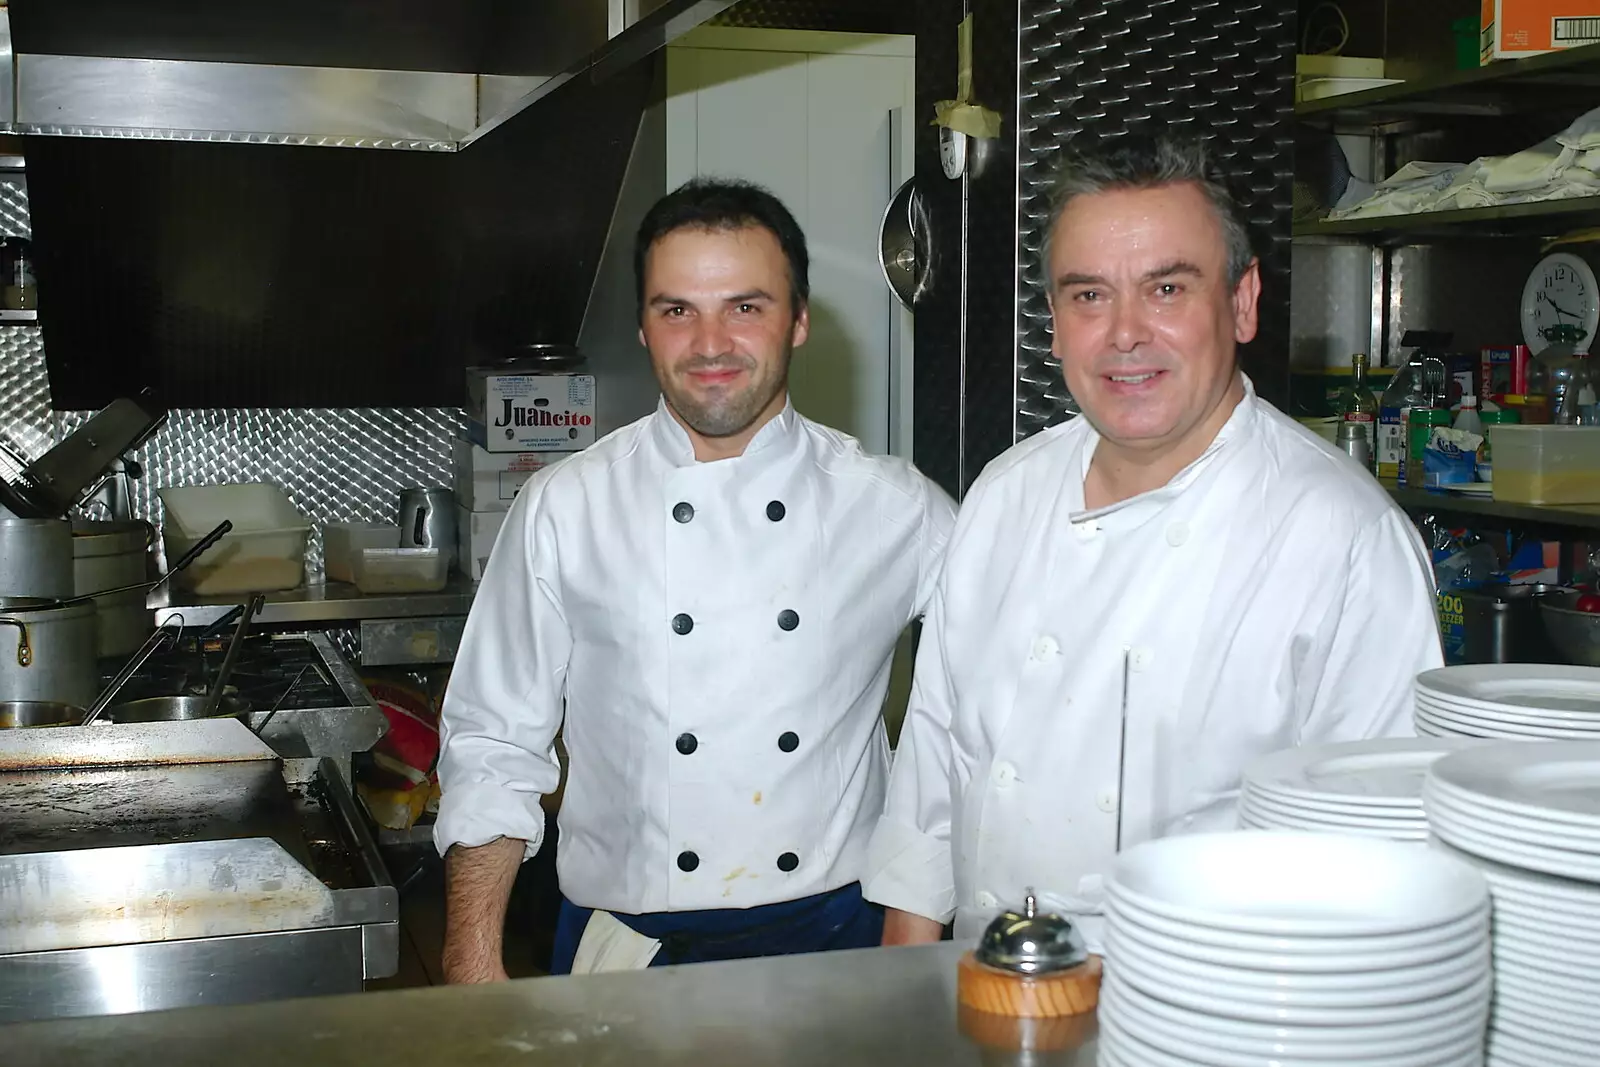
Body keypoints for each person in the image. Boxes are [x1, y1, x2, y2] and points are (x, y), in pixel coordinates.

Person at [862, 134, 1442, 951]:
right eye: (1089, 296)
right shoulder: (1004, 494)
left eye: (1166, 288)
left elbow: (1383, 857)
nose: (1125, 333)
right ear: (1055, 326)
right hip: (983, 994)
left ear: (1242, 303)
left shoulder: (1343, 538)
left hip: (1203, 1015)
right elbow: (934, 764)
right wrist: (905, 1000)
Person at [434, 177, 957, 980]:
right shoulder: (564, 507)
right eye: (677, 309)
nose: (710, 342)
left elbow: (980, 720)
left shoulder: (897, 509)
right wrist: (472, 963)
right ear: (643, 328)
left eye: (745, 306)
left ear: (800, 319)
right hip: (629, 950)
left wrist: (917, 935)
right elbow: (493, 743)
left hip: (838, 941)